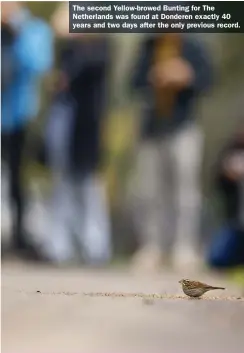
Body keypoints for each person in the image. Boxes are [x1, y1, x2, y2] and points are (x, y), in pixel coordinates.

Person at [130, 34, 213, 272]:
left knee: (185, 192)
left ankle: (184, 248)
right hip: (152, 129)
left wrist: (187, 76)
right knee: (149, 191)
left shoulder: (194, 46)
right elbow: (132, 83)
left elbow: (208, 81)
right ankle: (152, 247)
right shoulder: (148, 46)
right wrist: (154, 77)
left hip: (183, 127)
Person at [41, 3, 112, 265]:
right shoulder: (66, 51)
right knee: (61, 187)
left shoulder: (99, 48)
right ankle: (59, 247)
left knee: (89, 190)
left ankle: (96, 249)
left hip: (87, 133)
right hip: (64, 132)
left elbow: (84, 70)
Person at [1, 2, 54, 259]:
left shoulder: (34, 30)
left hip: (19, 117)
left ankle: (19, 238)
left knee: (17, 182)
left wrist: (16, 31)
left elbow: (38, 64)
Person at [208, 124, 244, 268]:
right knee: (217, 258)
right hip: (236, 223)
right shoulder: (232, 152)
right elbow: (218, 184)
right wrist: (227, 175)